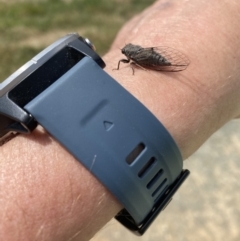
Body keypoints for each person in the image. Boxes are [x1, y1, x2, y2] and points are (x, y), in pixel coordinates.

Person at [0, 0, 240, 240]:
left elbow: (139, 60)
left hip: (150, 59)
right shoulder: (130, 57)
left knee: (159, 62)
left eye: (126, 54)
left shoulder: (134, 57)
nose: (124, 55)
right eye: (126, 54)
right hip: (145, 60)